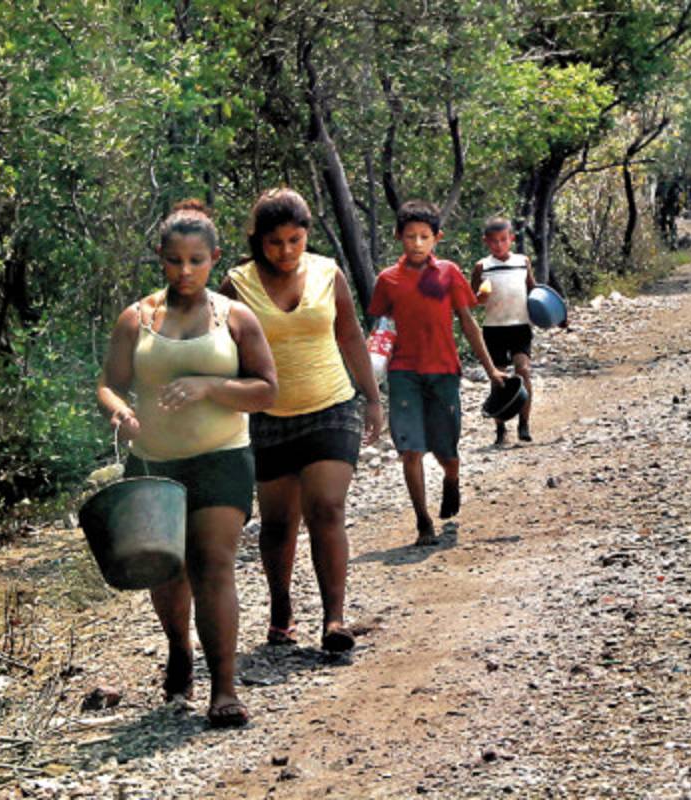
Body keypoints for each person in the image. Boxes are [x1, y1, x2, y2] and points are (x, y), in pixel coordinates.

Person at [97, 199, 277, 729]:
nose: (185, 271)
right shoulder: (136, 318)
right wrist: (120, 411)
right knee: (167, 568)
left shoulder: (235, 317)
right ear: (160, 257)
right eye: (174, 260)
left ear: (214, 259)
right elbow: (109, 384)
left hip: (222, 458)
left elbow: (266, 389)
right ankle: (179, 646)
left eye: (196, 260)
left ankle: (224, 688)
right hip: (154, 462)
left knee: (213, 564)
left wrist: (210, 386)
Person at [219, 188, 382, 653]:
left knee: (326, 508)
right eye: (275, 242)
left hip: (331, 405)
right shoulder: (236, 285)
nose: (286, 251)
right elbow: (218, 350)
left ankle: (334, 619)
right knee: (277, 524)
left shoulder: (328, 273)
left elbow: (350, 336)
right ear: (258, 241)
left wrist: (372, 397)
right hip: (268, 416)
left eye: (295, 240)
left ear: (307, 235)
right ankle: (281, 608)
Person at [368, 199, 506, 545]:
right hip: (403, 374)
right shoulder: (388, 280)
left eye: (424, 236)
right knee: (410, 450)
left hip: (443, 371)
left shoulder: (448, 273)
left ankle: (451, 479)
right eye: (410, 236)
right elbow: (381, 328)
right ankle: (423, 522)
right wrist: (372, 373)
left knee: (448, 453)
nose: (417, 243)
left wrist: (491, 370)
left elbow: (468, 323)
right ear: (399, 236)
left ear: (436, 238)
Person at [470, 216, 536, 445]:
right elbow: (470, 300)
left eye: (503, 240)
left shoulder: (522, 262)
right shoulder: (482, 267)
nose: (498, 245)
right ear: (486, 241)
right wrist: (480, 298)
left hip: (520, 326)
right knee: (498, 377)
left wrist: (554, 316)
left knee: (523, 371)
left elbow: (533, 291)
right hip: (493, 329)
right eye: (493, 241)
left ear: (512, 239)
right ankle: (500, 429)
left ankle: (524, 424)